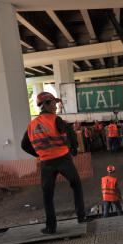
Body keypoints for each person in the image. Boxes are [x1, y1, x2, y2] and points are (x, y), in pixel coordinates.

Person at [21, 92, 89, 234]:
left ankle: (51, 227)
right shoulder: (56, 120)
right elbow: (70, 135)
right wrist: (74, 149)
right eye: (54, 103)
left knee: (47, 195)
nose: (56, 106)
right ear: (46, 104)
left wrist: (39, 153)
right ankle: (81, 217)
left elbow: (24, 145)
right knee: (76, 184)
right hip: (63, 159)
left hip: (46, 163)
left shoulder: (31, 125)